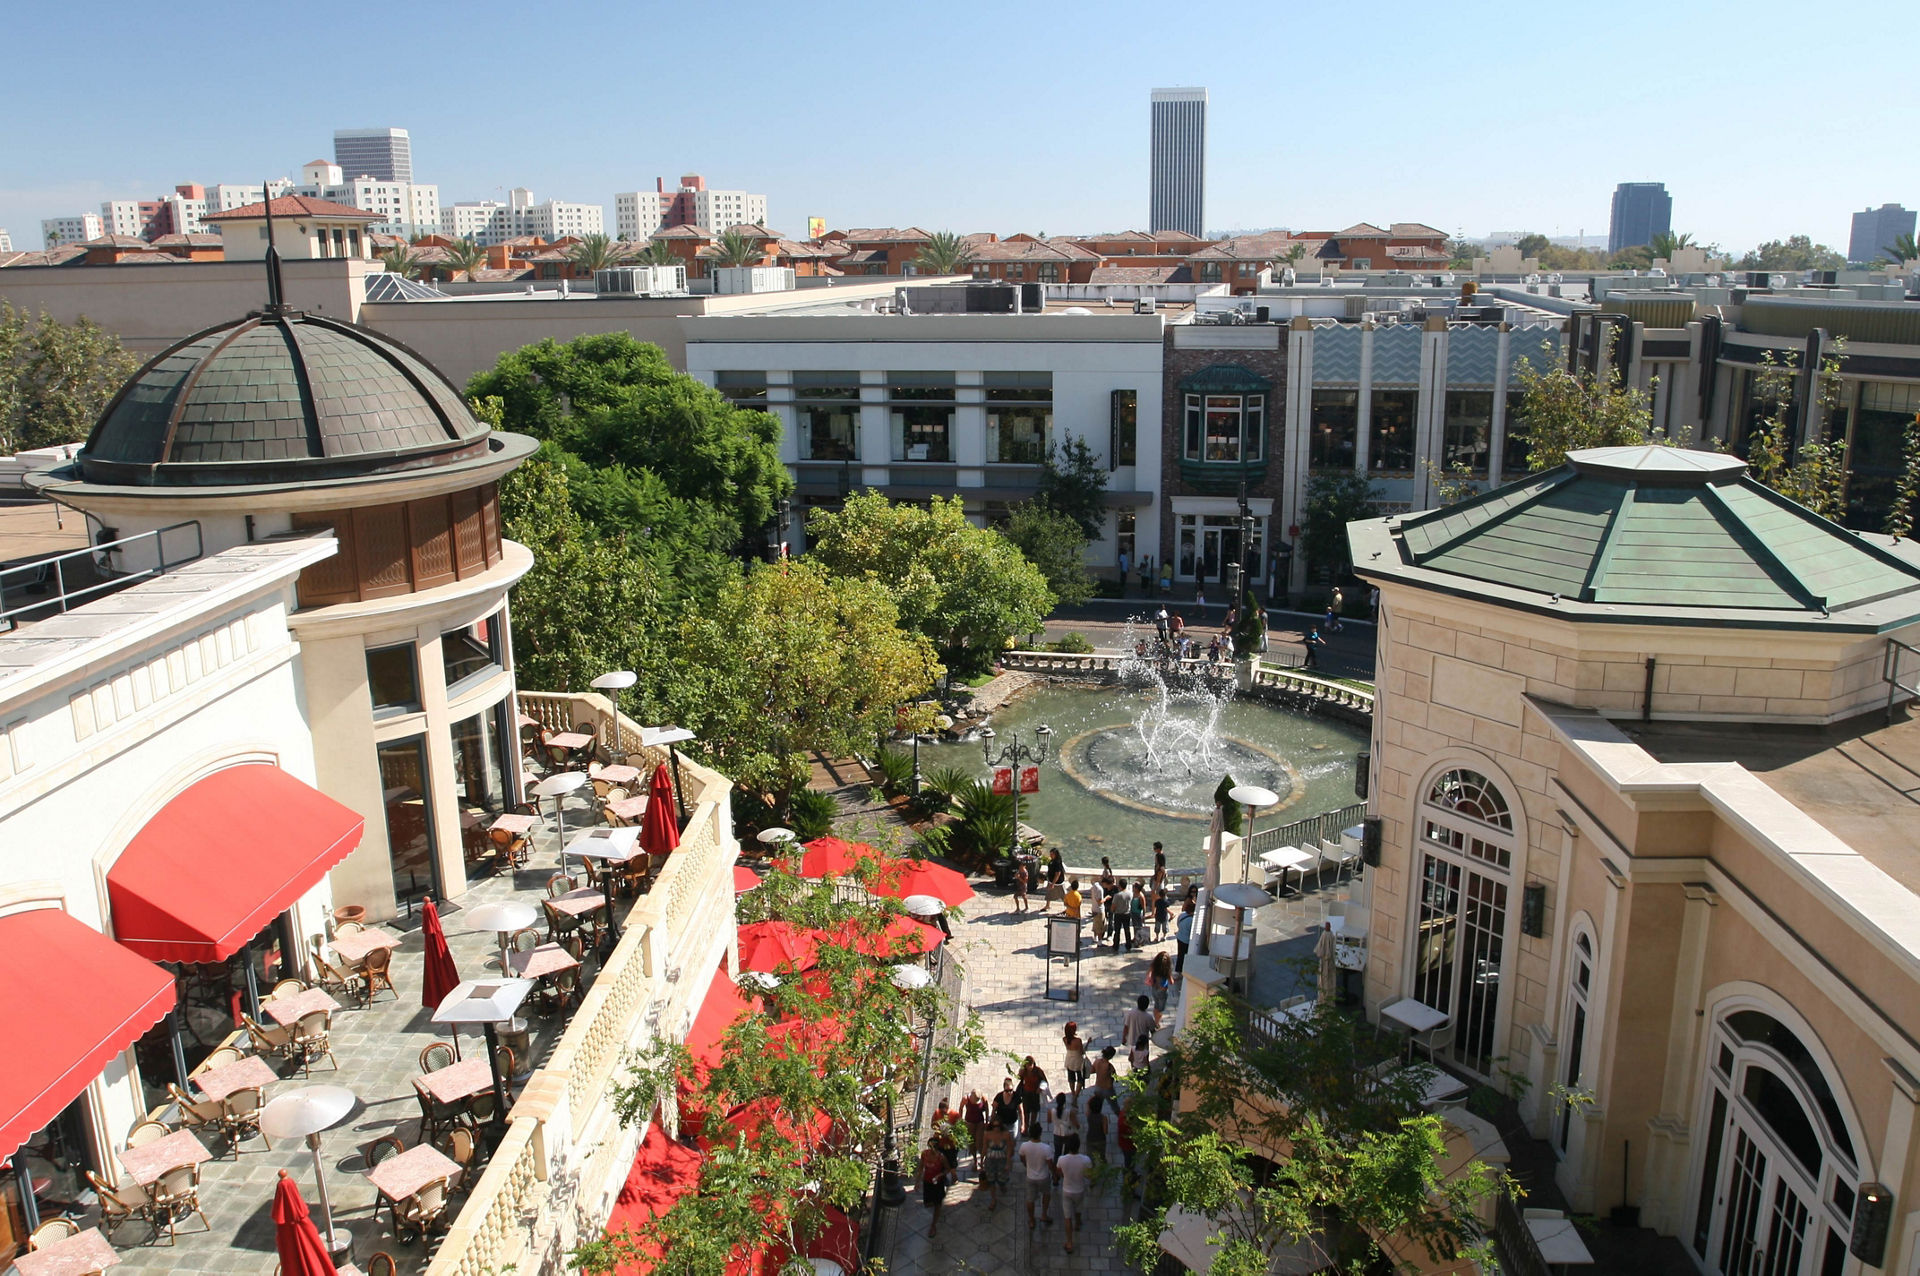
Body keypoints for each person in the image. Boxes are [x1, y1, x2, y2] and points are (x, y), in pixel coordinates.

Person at [1055, 1133, 1093, 1254]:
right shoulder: (1085, 1160)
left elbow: (1059, 1173)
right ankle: (1077, 1223)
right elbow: (1089, 1175)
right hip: (1079, 1189)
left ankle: (1069, 1242)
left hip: (1067, 1190)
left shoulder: (1062, 1159)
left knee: (1067, 1217)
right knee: (1078, 1208)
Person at [1017, 1123, 1056, 1229]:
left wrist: (1026, 1164)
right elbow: (1050, 1164)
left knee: (1030, 1199)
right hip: (1043, 1176)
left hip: (1030, 1177)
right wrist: (1054, 1174)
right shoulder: (1046, 1148)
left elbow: (1022, 1157)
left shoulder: (1024, 1146)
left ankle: (1031, 1219)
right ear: (1040, 1134)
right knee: (1046, 1194)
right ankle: (1044, 1214)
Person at [979, 1116, 1013, 1212]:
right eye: (994, 1126)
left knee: (1002, 1179)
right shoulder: (987, 1134)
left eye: (998, 1126)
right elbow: (984, 1147)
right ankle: (993, 1199)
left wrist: (1008, 1162)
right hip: (990, 1160)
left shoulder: (1006, 1134)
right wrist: (981, 1161)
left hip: (1002, 1159)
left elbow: (1009, 1148)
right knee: (991, 1180)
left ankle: (1002, 1185)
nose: (996, 1128)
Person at [919, 1136, 951, 1238]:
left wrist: (939, 1176)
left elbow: (947, 1169)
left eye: (934, 1147)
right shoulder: (924, 1154)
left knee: (937, 1204)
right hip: (927, 1182)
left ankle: (933, 1225)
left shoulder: (941, 1157)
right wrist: (917, 1182)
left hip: (937, 1183)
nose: (932, 1149)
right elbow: (921, 1168)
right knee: (928, 1203)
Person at [961, 1088, 989, 1175]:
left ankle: (982, 1161)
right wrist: (961, 1121)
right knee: (971, 1142)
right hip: (969, 1122)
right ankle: (975, 1160)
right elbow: (961, 1108)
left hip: (980, 1122)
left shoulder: (983, 1098)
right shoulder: (966, 1099)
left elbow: (987, 1109)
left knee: (980, 1142)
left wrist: (987, 1121)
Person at [1049, 1091, 1081, 1158]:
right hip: (1067, 1134)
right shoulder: (1070, 1112)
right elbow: (1077, 1125)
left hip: (1057, 1133)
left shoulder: (1051, 1111)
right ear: (1064, 1102)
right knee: (1066, 1154)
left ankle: (1057, 1166)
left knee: (1057, 1153)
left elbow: (1049, 1121)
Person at [1018, 1056, 1046, 1126]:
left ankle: (1032, 1125)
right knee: (1026, 1111)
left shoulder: (1038, 1071)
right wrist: (1020, 1073)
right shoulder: (1024, 1071)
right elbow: (1019, 1078)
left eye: (1031, 1065)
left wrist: (1040, 1088)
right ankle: (1026, 1126)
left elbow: (1044, 1081)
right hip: (1026, 1093)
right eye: (1028, 1065)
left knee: (1034, 1110)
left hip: (1035, 1093)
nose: (1030, 1067)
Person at [1147, 950, 1174, 1016]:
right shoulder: (1167, 970)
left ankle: (1155, 1019)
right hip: (1163, 991)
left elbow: (1149, 973)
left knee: (1156, 1005)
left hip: (1154, 989)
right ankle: (1156, 1022)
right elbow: (1171, 982)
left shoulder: (1154, 966)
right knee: (1160, 1009)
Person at [1063, 1022, 1088, 1093]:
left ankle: (1073, 1093)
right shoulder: (1078, 1040)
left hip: (1069, 1060)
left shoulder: (1064, 1039)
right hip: (1078, 1061)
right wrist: (1088, 1043)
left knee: (1071, 1078)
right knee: (1080, 1078)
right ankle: (1076, 1095)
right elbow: (1081, 1052)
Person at [1084, 1091, 1108, 1164]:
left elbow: (1087, 1104)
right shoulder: (1103, 1118)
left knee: (1091, 1158)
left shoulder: (1089, 1115)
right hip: (1101, 1139)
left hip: (1090, 1139)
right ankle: (1103, 1167)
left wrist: (1093, 1098)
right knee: (1102, 1156)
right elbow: (1105, 1131)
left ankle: (1093, 1170)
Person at [1174, 895, 1195, 974]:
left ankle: (1178, 970)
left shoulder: (1182, 914)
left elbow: (1178, 923)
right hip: (1186, 940)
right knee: (1185, 956)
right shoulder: (1191, 920)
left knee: (1180, 955)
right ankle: (1184, 970)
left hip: (1179, 937)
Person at [1043, 848, 1066, 913]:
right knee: (1049, 894)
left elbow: (1058, 874)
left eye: (1052, 854)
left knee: (1063, 896)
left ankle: (1067, 907)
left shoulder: (1057, 862)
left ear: (1055, 854)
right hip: (1051, 881)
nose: (1050, 855)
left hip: (1058, 882)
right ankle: (1047, 905)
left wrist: (1053, 883)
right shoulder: (1052, 861)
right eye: (1050, 854)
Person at [1085, 879, 1105, 945]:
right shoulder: (1100, 889)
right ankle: (1100, 942)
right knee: (1100, 926)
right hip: (1099, 910)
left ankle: (1095, 937)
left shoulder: (1093, 887)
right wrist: (1106, 898)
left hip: (1094, 908)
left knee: (1095, 923)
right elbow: (1100, 902)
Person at [1129, 883, 1148, 951]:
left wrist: (1144, 916)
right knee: (1134, 926)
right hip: (1133, 913)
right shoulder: (1133, 894)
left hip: (1139, 913)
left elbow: (1144, 906)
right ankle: (1135, 938)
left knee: (1139, 927)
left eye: (1134, 887)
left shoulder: (1141, 896)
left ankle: (1139, 940)